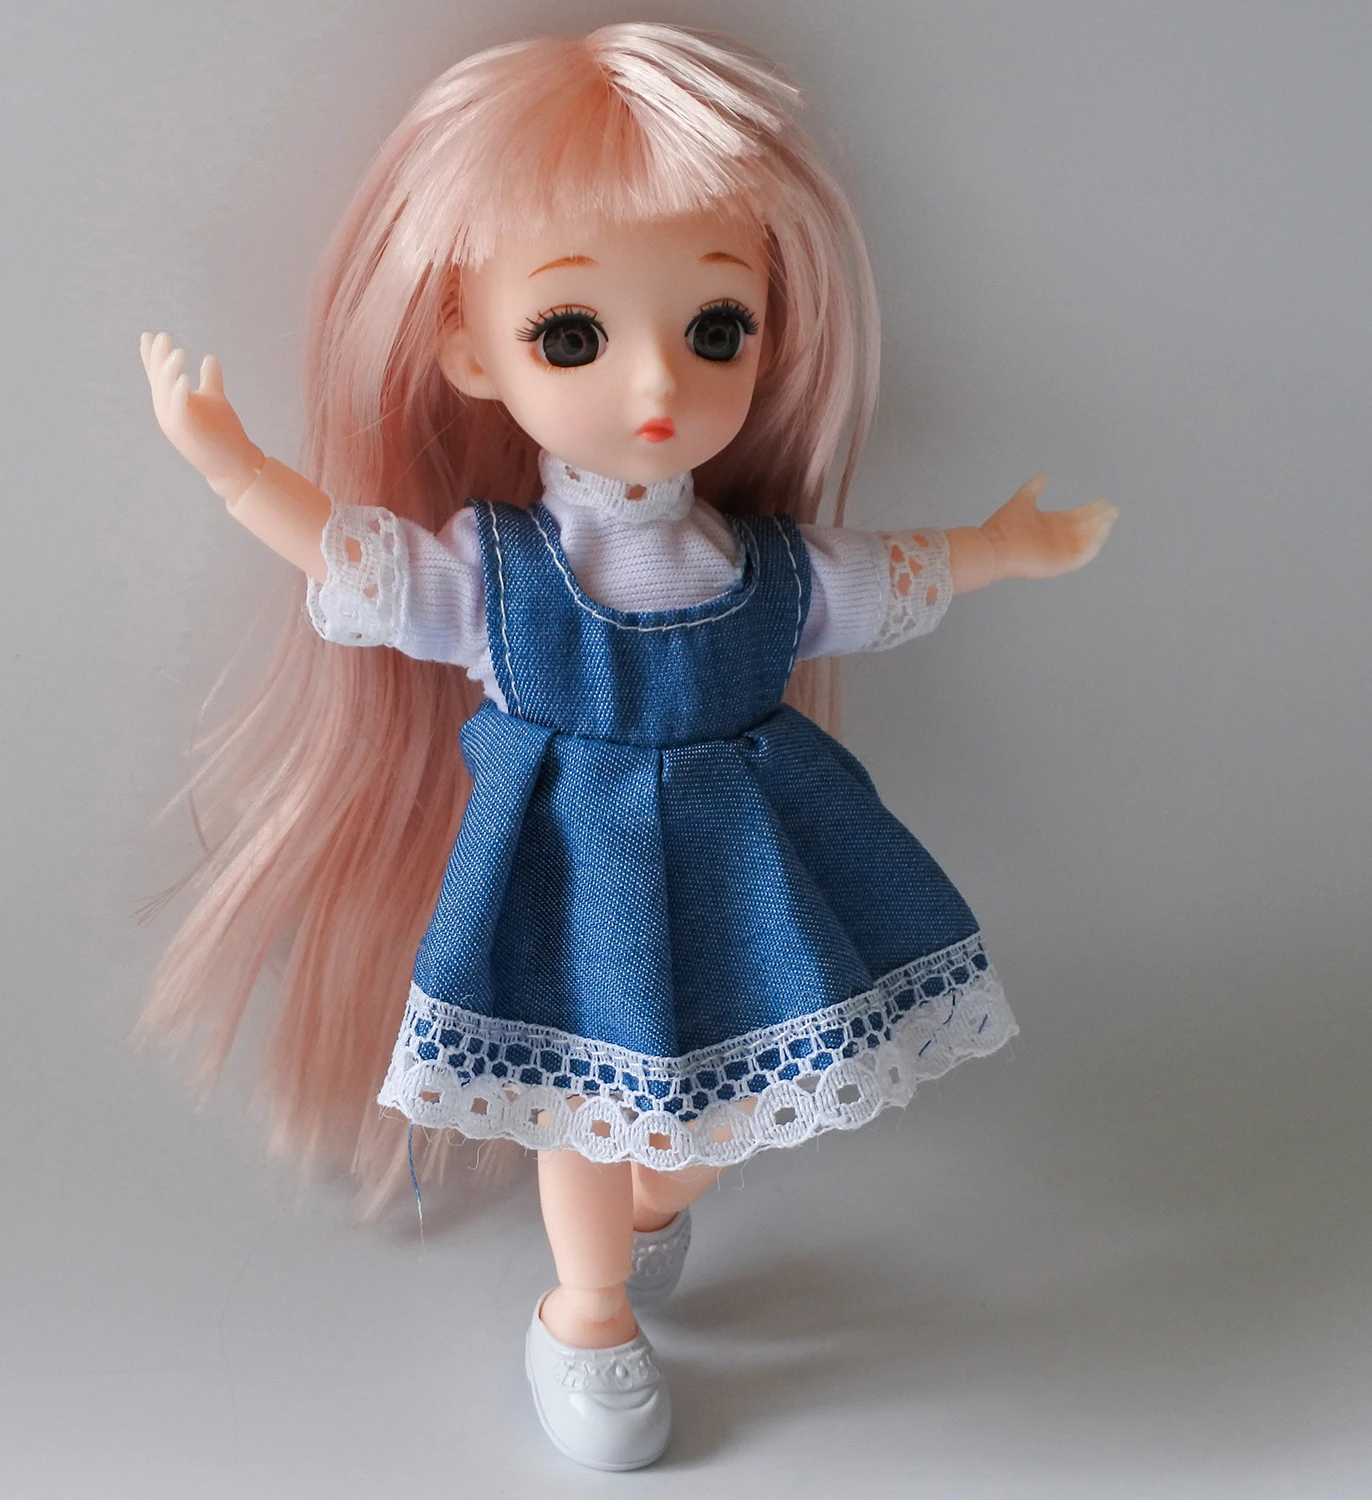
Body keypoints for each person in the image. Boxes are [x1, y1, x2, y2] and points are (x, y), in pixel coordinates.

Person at [138, 23, 1117, 1470]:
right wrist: (238, 470)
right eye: (572, 335)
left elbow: (875, 581)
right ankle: (584, 1315)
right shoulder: (504, 576)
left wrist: (1001, 546)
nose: (656, 380)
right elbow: (366, 569)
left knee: (708, 1125)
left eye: (716, 328)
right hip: (567, 878)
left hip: (741, 871)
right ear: (472, 349)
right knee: (586, 1121)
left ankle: (651, 1209)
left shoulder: (762, 567)